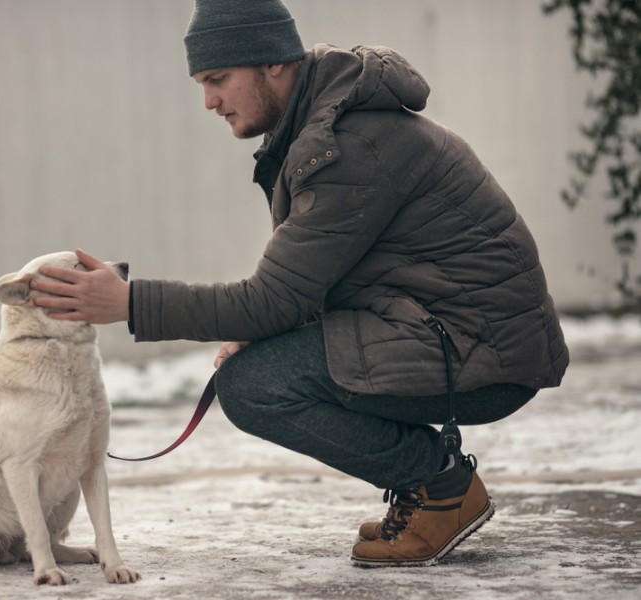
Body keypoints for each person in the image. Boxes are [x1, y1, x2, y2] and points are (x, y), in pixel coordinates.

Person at [30, 0, 569, 567]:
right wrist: (264, 324)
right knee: (259, 368)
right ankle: (430, 484)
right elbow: (313, 283)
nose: (209, 101)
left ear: (274, 65)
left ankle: (440, 487)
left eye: (218, 80)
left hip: (480, 351)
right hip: (445, 330)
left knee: (254, 386)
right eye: (201, 83)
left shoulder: (350, 147)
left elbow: (273, 299)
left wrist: (133, 304)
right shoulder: (330, 128)